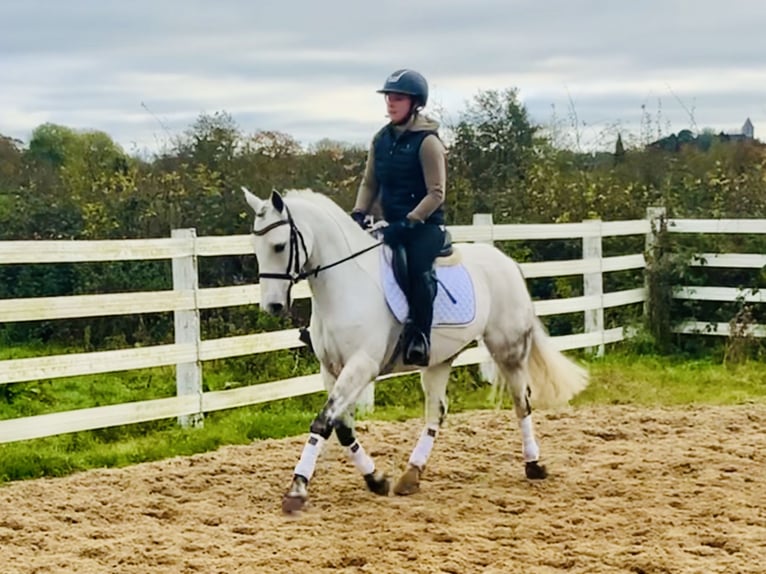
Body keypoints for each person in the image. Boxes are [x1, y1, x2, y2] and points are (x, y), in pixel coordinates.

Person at [351, 68, 447, 366]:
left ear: (415, 102)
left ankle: (419, 336)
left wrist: (409, 221)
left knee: (415, 268)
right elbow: (370, 183)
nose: (391, 103)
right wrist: (358, 212)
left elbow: (436, 193)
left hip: (424, 225)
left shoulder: (428, 142)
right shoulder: (380, 139)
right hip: (388, 223)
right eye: (389, 97)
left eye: (398, 98)